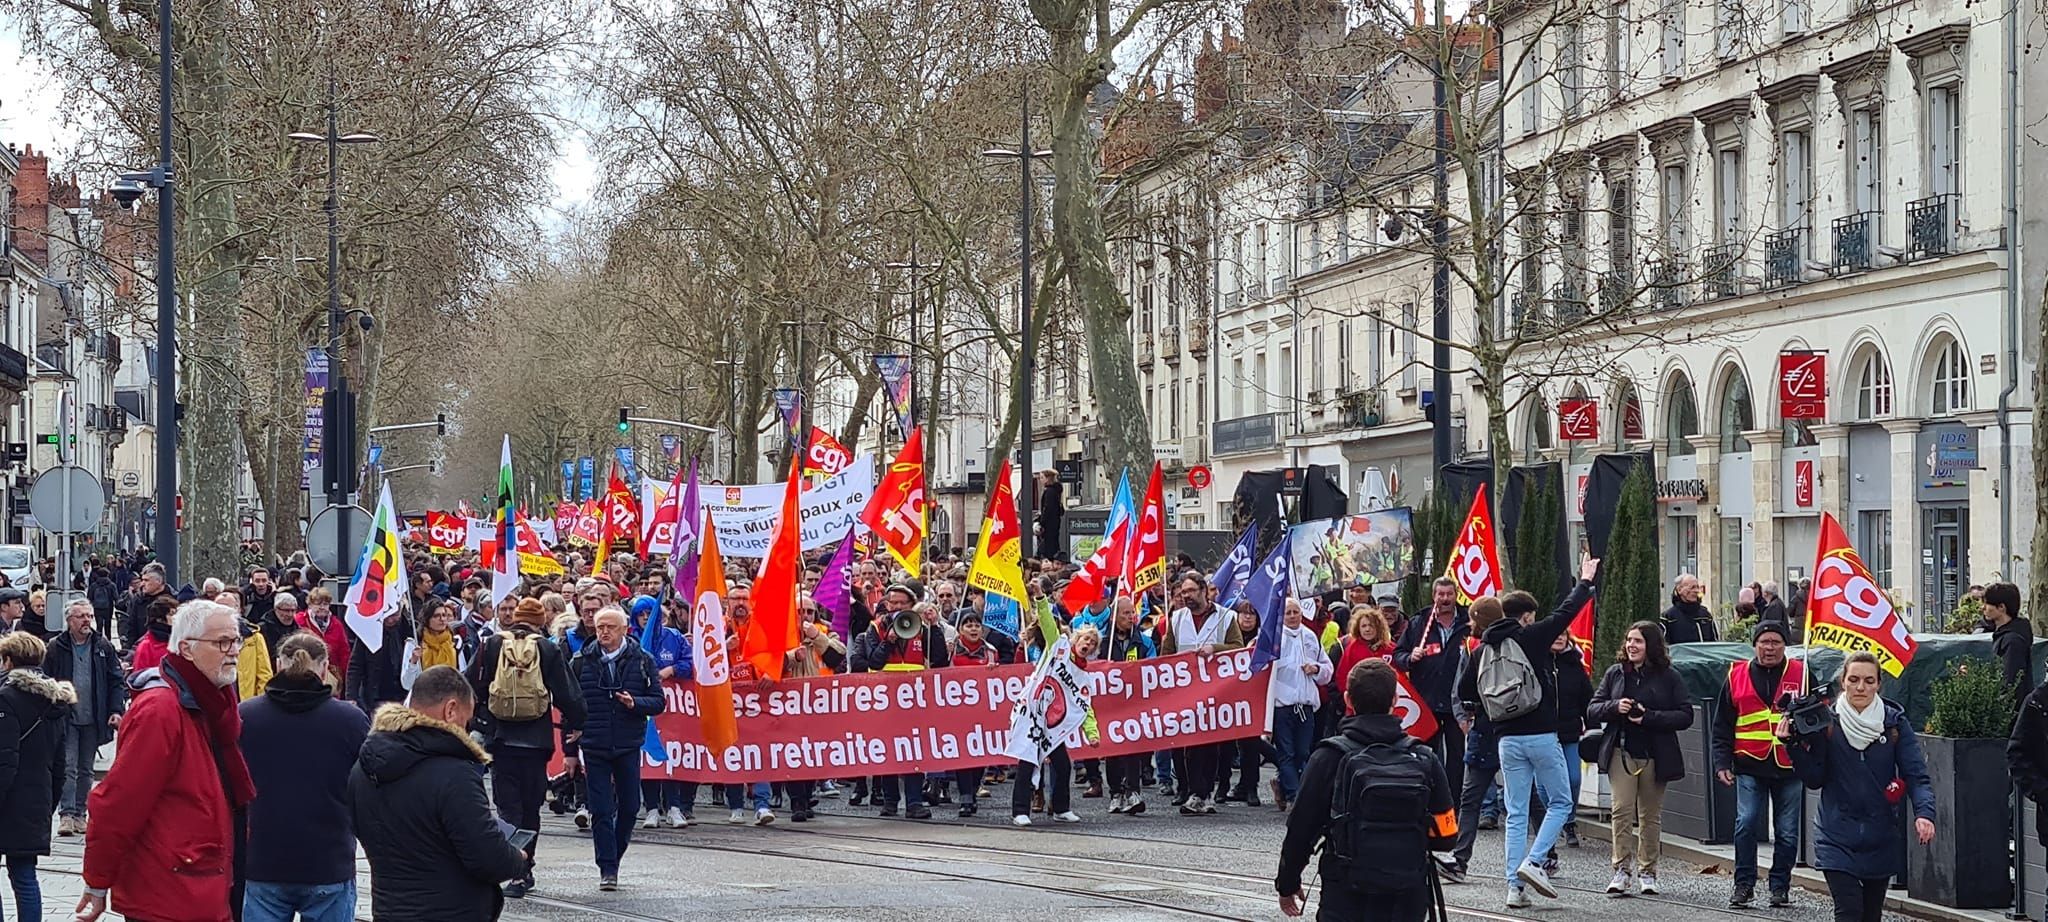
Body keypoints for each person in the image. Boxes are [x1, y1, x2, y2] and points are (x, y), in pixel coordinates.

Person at [76, 600, 255, 922]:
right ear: (186, 648)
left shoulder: (212, 704)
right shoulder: (162, 710)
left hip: (205, 884)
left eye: (236, 640)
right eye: (222, 642)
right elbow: (118, 803)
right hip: (171, 892)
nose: (234, 651)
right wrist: (97, 881)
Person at [1456, 557, 1598, 909]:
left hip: (1506, 740)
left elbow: (1464, 693)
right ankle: (1535, 862)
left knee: (1515, 811)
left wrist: (1493, 711)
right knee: (1561, 801)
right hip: (1541, 733)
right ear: (1525, 617)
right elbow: (1566, 613)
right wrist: (1584, 580)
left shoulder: (1482, 650)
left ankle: (1512, 888)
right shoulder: (1531, 638)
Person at [1276, 659, 1458, 922]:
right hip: (1407, 895)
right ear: (1395, 700)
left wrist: (1288, 882)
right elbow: (1447, 835)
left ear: (1348, 700)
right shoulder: (1423, 757)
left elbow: (1301, 829)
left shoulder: (1329, 757)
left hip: (1346, 895)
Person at [349, 665, 528, 921]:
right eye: (466, 721)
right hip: (452, 911)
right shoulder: (455, 773)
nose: (467, 730)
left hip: (389, 910)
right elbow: (487, 858)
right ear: (451, 710)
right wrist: (516, 858)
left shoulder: (363, 769)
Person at [1786, 651, 1936, 922]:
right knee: (1849, 911)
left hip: (1881, 835)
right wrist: (1793, 746)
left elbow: (1917, 775)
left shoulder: (1893, 724)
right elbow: (1814, 779)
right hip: (1836, 835)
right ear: (1843, 681)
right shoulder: (1828, 722)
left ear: (1879, 684)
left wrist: (1924, 814)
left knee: (1870, 915)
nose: (1860, 687)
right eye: (1853, 679)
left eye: (1869, 680)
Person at [239, 633, 371, 922]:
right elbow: (368, 785)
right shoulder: (350, 720)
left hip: (264, 857)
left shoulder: (246, 716)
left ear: (277, 665)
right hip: (329, 858)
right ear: (324, 668)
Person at [468, 595, 586, 898]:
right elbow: (567, 693)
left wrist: (481, 720)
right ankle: (525, 869)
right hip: (536, 741)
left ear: (515, 617)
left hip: (501, 738)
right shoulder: (547, 648)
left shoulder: (491, 644)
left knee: (507, 808)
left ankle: (509, 867)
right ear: (541, 621)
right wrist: (579, 722)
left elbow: (470, 684)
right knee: (531, 808)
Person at [1585, 621, 1691, 896]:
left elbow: (1685, 715)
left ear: (1651, 645)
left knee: (1650, 816)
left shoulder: (1669, 676)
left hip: (1656, 754)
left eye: (1639, 641)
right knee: (1620, 810)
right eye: (1629, 640)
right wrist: (1614, 707)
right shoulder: (1616, 673)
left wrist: (1649, 716)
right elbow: (1593, 708)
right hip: (1622, 751)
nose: (1631, 645)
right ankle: (1621, 869)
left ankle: (1648, 872)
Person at [568, 606, 665, 891]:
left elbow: (658, 701)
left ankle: (615, 854)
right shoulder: (580, 661)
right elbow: (570, 709)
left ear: (624, 629)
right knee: (600, 808)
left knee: (630, 806)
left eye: (610, 627)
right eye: (600, 628)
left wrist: (636, 703)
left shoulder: (643, 660)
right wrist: (570, 752)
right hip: (595, 744)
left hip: (627, 743)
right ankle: (607, 867)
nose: (604, 633)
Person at [1712, 620, 1806, 908]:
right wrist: (1721, 762)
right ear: (1755, 645)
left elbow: (1816, 717)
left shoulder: (1801, 674)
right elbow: (1722, 724)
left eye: (1776, 642)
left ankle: (1780, 886)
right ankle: (1744, 885)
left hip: (1790, 765)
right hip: (1748, 762)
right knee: (1746, 823)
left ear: (1784, 645)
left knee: (1787, 831)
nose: (1769, 648)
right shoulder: (1736, 674)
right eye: (1764, 642)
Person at [850, 584, 950, 819]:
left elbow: (939, 659)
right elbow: (874, 662)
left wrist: (934, 626)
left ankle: (914, 802)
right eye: (892, 603)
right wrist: (889, 641)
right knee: (889, 751)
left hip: (913, 699)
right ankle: (890, 801)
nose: (895, 607)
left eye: (901, 604)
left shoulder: (921, 628)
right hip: (885, 700)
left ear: (911, 605)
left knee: (913, 750)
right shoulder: (875, 628)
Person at [0, 632, 73, 922]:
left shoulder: (5, 698)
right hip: (36, 798)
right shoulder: (54, 701)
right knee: (25, 876)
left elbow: (5, 758)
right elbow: (61, 762)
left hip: (8, 799)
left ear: (8, 660)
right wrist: (50, 801)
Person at [1161, 572, 1243, 815]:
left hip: (1216, 692)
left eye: (1191, 591)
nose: (1186, 596)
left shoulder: (1226, 618)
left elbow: (1237, 648)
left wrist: (1214, 649)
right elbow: (1167, 652)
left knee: (1211, 745)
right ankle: (1196, 792)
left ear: (1203, 591)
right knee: (1191, 744)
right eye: (1183, 592)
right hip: (1186, 692)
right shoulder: (1176, 618)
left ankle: (1205, 791)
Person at [46, 598, 123, 836]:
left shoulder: (103, 646)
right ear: (69, 620)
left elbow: (115, 679)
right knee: (68, 765)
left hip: (94, 716)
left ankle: (81, 813)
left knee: (86, 768)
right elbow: (46, 679)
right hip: (65, 716)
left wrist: (115, 710)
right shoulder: (56, 647)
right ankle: (67, 814)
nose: (87, 621)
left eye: (89, 616)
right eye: (81, 616)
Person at [1397, 576, 1469, 812]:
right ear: (1434, 596)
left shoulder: (1468, 622)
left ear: (1456, 595)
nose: (1445, 599)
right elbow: (1399, 655)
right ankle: (1424, 802)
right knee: (1425, 755)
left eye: (1449, 594)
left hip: (1456, 704)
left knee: (1456, 758)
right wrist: (1410, 657)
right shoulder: (1419, 623)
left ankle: (1452, 807)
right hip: (1426, 702)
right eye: (1441, 595)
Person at [1011, 625, 1094, 827]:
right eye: (1086, 639)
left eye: (1093, 643)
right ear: (1076, 639)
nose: (1088, 644)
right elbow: (1047, 623)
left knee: (1063, 765)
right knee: (1027, 761)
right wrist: (1040, 596)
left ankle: (1061, 809)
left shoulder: (1083, 673)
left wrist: (1092, 733)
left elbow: (1083, 705)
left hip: (1052, 724)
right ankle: (1020, 811)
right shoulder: (1058, 648)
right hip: (1033, 715)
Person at [1270, 598, 1333, 813]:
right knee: (1286, 752)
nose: (1292, 616)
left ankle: (1296, 789)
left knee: (1303, 752)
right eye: (1288, 613)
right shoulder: (1273, 637)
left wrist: (1316, 669)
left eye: (1295, 612)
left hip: (1305, 705)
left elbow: (1327, 669)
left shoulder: (1309, 636)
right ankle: (1294, 795)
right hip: (1283, 706)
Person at [1981, 582, 2033, 704]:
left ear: (2001, 607)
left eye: (1987, 603)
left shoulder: (2013, 641)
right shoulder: (2007, 636)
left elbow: (2011, 684)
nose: (1983, 607)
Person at [1660, 573, 1718, 644]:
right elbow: (1664, 647)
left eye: (1697, 587)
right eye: (1692, 587)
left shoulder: (1705, 615)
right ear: (1679, 590)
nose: (1696, 591)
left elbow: (1715, 643)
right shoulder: (1668, 618)